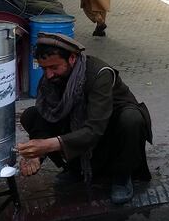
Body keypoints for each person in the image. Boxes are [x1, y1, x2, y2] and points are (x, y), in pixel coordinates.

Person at [17, 32, 152, 204]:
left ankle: (122, 177)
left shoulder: (100, 74)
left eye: (54, 67)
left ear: (72, 58)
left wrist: (48, 144)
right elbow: (47, 116)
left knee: (131, 119)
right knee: (31, 115)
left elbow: (94, 129)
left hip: (108, 125)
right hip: (77, 124)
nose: (49, 74)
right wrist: (37, 154)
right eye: (44, 68)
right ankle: (75, 168)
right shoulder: (51, 79)